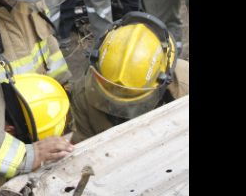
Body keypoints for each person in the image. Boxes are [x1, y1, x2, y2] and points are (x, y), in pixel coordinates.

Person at [70, 11, 189, 143]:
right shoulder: (83, 96)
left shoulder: (185, 83)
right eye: (112, 99)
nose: (121, 110)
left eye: (132, 102)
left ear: (164, 79)